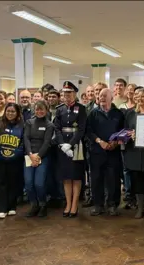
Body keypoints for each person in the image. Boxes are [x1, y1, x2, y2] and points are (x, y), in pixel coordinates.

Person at [87, 88, 125, 216]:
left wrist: (116, 142)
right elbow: (89, 131)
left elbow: (123, 131)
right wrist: (99, 141)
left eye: (104, 96)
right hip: (97, 152)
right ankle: (98, 205)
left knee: (113, 179)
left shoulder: (118, 114)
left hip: (113, 152)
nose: (101, 97)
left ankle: (112, 204)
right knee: (96, 179)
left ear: (111, 98)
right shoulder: (93, 113)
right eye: (100, 95)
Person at [123, 88, 144, 219]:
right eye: (138, 96)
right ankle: (140, 208)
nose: (140, 99)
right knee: (137, 183)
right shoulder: (130, 113)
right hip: (134, 153)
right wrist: (129, 134)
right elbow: (125, 130)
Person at [54, 81, 87, 217]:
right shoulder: (60, 109)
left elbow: (81, 129)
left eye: (69, 93)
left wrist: (71, 144)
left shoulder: (81, 108)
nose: (67, 96)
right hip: (63, 147)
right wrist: (63, 145)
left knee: (76, 176)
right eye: (64, 93)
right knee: (66, 177)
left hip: (76, 146)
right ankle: (68, 203)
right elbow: (57, 128)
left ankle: (74, 205)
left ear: (74, 93)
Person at [0, 103, 25, 219]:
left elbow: (23, 144)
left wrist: (16, 155)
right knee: (0, 183)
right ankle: (1, 208)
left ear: (17, 113)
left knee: (13, 183)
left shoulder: (22, 126)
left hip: (15, 160)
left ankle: (12, 207)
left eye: (13, 111)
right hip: (0, 159)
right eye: (8, 111)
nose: (10, 113)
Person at [24, 100, 55, 217]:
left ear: (46, 110)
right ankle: (34, 204)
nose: (39, 111)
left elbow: (47, 142)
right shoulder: (29, 122)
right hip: (29, 156)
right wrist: (31, 154)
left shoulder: (49, 125)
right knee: (28, 183)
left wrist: (38, 156)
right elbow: (26, 139)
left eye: (42, 109)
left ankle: (43, 204)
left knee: (39, 184)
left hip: (43, 156)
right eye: (37, 109)